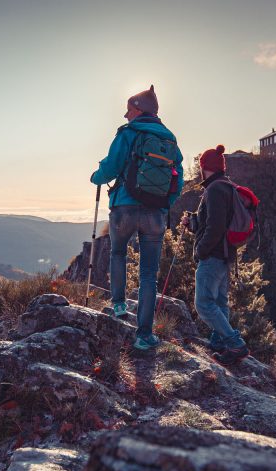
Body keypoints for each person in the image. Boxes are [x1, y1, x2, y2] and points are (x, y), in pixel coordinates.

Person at [90, 85, 184, 350]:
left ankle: (118, 305)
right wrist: (166, 204)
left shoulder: (128, 133)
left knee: (117, 253)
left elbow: (110, 167)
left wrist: (95, 177)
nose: (125, 115)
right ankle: (144, 335)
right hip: (156, 213)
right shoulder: (170, 140)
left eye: (128, 109)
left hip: (125, 208)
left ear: (139, 109)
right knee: (148, 274)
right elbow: (179, 179)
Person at [182, 145, 250, 365]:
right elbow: (210, 224)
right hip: (224, 255)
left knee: (203, 304)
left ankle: (235, 343)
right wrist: (193, 224)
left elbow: (215, 226)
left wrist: (201, 250)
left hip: (212, 256)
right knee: (220, 303)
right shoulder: (226, 187)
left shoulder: (214, 190)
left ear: (204, 167)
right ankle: (220, 343)